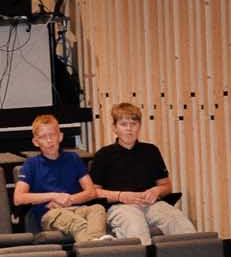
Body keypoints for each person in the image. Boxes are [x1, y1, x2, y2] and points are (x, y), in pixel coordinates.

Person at [86, 102, 197, 241]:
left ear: (139, 126)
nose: (129, 129)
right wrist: (120, 196)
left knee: (181, 224)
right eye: (123, 124)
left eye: (133, 124)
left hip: (152, 204)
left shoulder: (151, 151)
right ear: (115, 128)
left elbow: (166, 186)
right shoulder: (103, 154)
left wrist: (156, 191)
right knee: (136, 229)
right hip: (120, 206)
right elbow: (94, 192)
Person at [15, 113, 110, 244]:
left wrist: (69, 200)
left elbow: (91, 192)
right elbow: (18, 198)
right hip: (50, 214)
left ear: (60, 136)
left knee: (98, 209)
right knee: (79, 224)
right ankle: (94, 250)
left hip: (76, 208)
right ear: (36, 142)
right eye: (43, 137)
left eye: (52, 135)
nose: (49, 140)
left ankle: (93, 246)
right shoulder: (31, 164)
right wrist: (54, 196)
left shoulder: (73, 158)